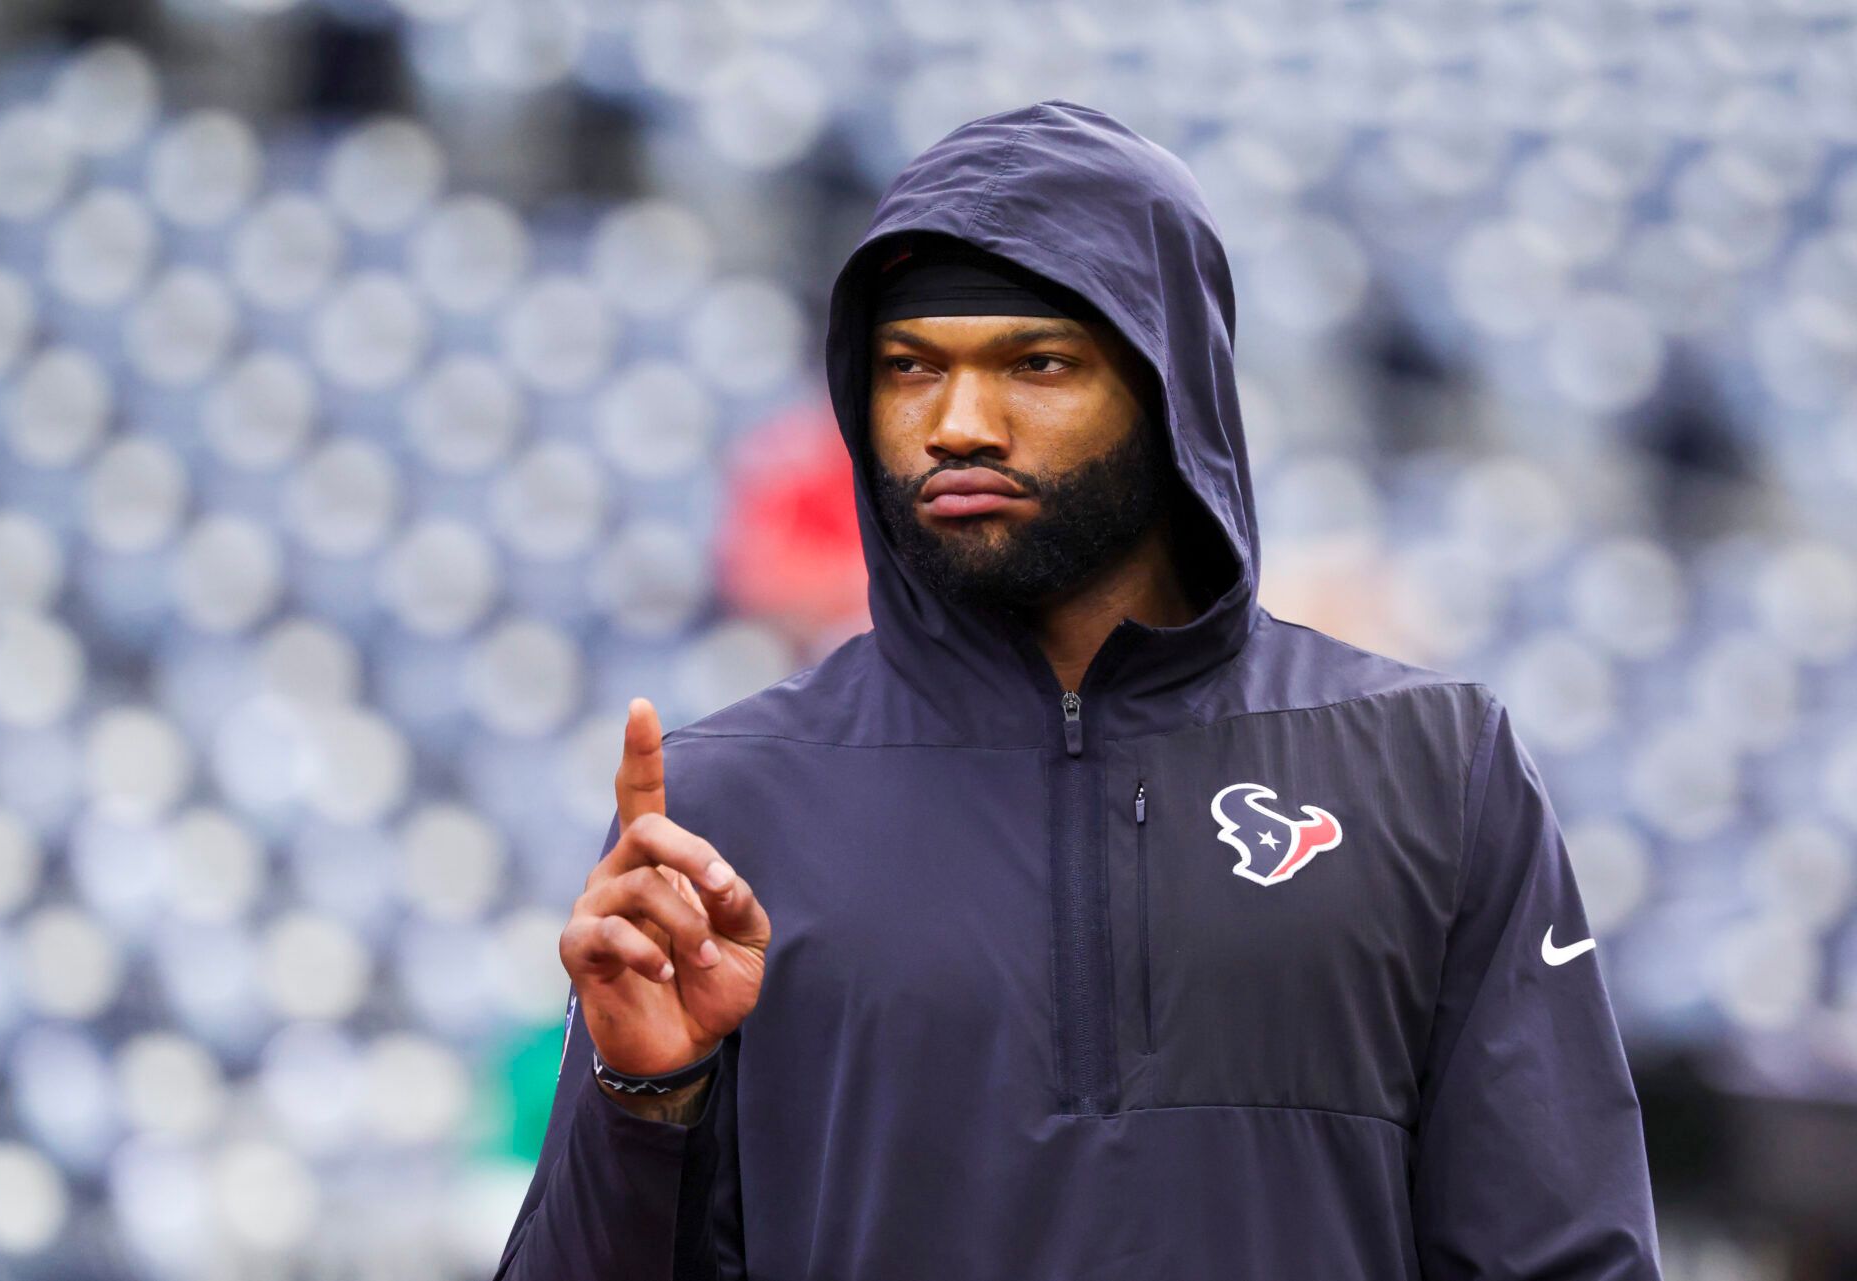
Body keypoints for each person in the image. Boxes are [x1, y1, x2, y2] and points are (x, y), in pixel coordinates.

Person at [492, 99, 1662, 1280]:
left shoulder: (1429, 766)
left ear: (1172, 391)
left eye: (1035, 363)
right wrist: (642, 1100)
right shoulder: (718, 808)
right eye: (910, 368)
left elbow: (1563, 1257)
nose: (958, 423)